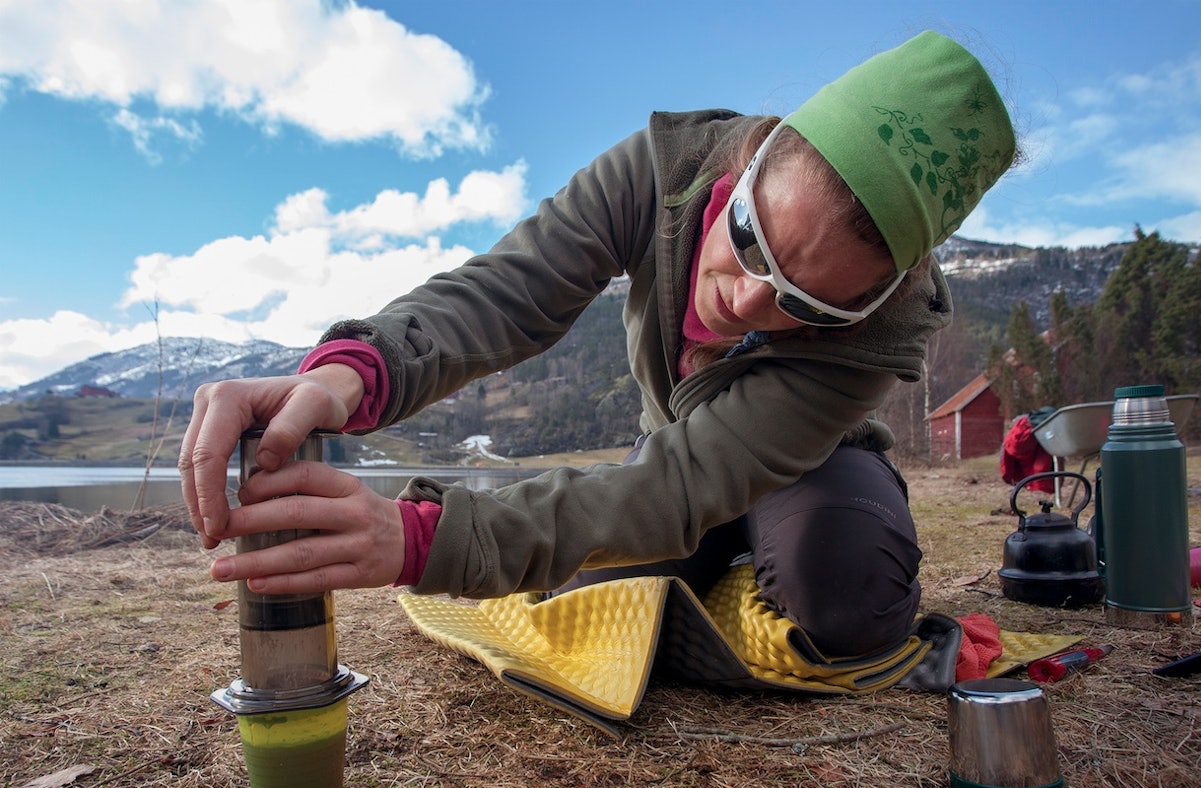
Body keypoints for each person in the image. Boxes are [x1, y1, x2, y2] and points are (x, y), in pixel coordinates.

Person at [180, 31, 1016, 659]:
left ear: (867, 303)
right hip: (672, 456)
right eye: (749, 239)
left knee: (848, 597)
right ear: (752, 159)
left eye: (809, 304)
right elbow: (512, 291)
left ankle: (797, 540)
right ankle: (717, 561)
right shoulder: (660, 170)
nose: (748, 300)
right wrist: (351, 373)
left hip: (807, 464)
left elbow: (684, 485)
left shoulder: (881, 334)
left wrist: (424, 538)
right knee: (584, 597)